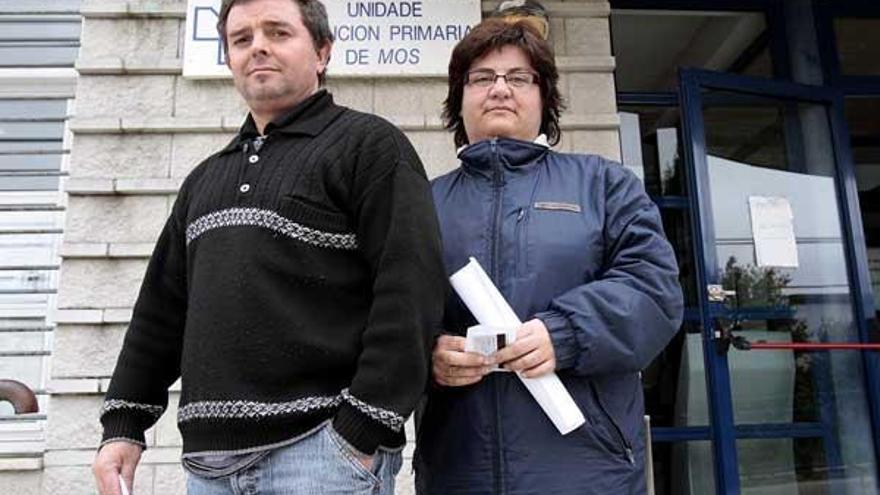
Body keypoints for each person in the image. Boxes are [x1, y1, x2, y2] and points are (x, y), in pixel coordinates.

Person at [91, 0, 445, 493]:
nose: (257, 47)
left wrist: (363, 427)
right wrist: (123, 426)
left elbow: (411, 290)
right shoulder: (205, 180)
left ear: (322, 51)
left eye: (278, 33)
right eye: (241, 39)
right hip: (209, 468)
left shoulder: (369, 147)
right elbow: (161, 313)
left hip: (321, 456)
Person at [414, 19, 684, 494]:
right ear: (460, 97)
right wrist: (427, 354)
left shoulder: (604, 184)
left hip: (587, 468)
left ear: (545, 97)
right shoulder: (421, 204)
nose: (500, 89)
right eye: (481, 78)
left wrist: (566, 333)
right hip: (457, 468)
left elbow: (653, 290)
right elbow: (387, 313)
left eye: (519, 78)